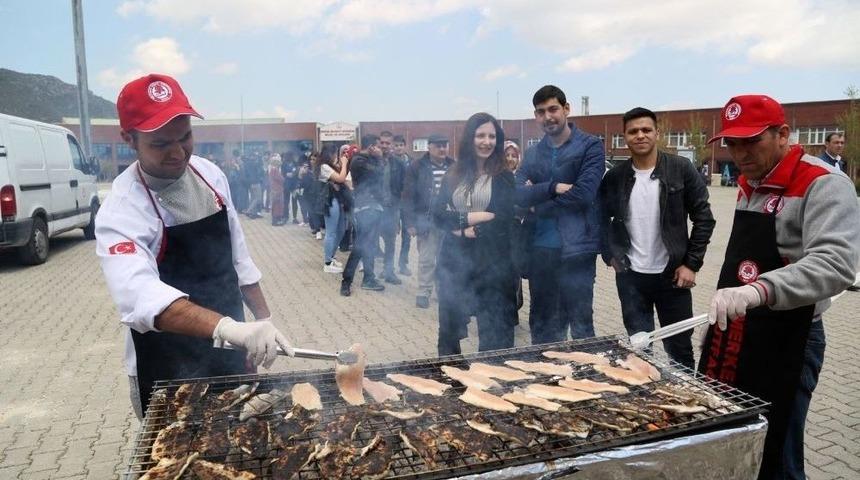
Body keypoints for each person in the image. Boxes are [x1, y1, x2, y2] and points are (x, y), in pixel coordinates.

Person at [94, 74, 294, 418]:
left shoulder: (210, 175)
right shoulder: (122, 209)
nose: (177, 152)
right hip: (167, 362)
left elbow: (239, 261)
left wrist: (264, 321)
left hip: (232, 347)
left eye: (185, 136)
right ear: (129, 139)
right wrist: (230, 328)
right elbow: (139, 294)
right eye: (160, 144)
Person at [700, 94, 860, 480]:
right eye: (732, 143)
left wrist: (757, 290)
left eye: (751, 141)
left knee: (779, 449)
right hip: (741, 331)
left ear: (783, 134)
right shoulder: (749, 183)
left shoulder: (823, 184)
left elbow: (835, 264)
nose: (740, 154)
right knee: (738, 440)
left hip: (793, 336)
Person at [599, 107, 715, 369]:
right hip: (631, 277)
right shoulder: (615, 177)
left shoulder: (680, 168)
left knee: (680, 351)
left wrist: (691, 264)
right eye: (633, 131)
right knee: (639, 349)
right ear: (625, 137)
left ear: (657, 134)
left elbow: (704, 218)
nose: (640, 135)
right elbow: (600, 219)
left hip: (672, 277)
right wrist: (610, 255)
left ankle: (688, 405)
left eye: (646, 130)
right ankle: (647, 401)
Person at [515, 85, 605, 343]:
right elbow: (517, 194)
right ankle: (543, 379)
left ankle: (584, 380)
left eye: (553, 109)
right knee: (542, 327)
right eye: (541, 112)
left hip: (577, 252)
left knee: (580, 328)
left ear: (566, 109)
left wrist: (537, 203)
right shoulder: (533, 153)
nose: (548, 116)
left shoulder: (590, 147)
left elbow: (583, 196)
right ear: (536, 116)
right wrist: (552, 188)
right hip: (540, 252)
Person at [433, 113, 518, 355]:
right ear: (470, 138)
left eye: (492, 136)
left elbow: (503, 217)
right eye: (480, 135)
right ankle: (450, 377)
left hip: (492, 262)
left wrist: (460, 224)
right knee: (449, 330)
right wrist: (470, 221)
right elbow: (437, 214)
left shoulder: (503, 175)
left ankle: (493, 381)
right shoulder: (454, 173)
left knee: (495, 333)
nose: (486, 141)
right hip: (454, 261)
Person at [402, 134, 456, 308]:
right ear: (429, 147)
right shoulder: (417, 167)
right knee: (427, 258)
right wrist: (409, 223)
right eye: (438, 146)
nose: (442, 149)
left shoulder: (454, 166)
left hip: (449, 221)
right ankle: (423, 292)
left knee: (446, 259)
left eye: (444, 145)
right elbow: (408, 196)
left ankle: (443, 292)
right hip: (427, 221)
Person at [340, 134, 387, 296]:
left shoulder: (369, 160)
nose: (381, 149)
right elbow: (378, 174)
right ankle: (346, 281)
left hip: (374, 207)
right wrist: (380, 159)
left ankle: (369, 278)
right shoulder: (359, 161)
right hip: (365, 208)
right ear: (371, 146)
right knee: (360, 246)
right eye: (378, 146)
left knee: (369, 246)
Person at [378, 131, 407, 284]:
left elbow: (404, 187)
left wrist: (398, 210)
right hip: (374, 208)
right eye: (382, 142)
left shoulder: (399, 163)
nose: (384, 146)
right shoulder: (372, 160)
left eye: (387, 143)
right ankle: (368, 273)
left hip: (391, 208)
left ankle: (389, 271)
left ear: (391, 144)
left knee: (390, 241)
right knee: (370, 240)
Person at [319, 144, 351, 273]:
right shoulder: (324, 167)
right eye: (335, 153)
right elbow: (341, 178)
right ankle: (327, 262)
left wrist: (343, 160)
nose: (336, 156)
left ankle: (331, 256)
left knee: (341, 229)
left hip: (338, 200)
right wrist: (343, 163)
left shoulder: (330, 166)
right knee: (331, 232)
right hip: (330, 201)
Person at [392, 135, 413, 275]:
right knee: (391, 235)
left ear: (405, 146)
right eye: (396, 145)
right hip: (393, 203)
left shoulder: (412, 162)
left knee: (407, 235)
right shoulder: (389, 161)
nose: (398, 148)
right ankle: (389, 266)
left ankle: (403, 264)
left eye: (401, 145)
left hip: (407, 204)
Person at [268, 153, 286, 226]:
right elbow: (280, 179)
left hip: (274, 188)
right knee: (277, 205)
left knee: (275, 204)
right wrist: (283, 178)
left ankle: (275, 220)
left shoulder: (272, 169)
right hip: (277, 189)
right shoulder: (275, 170)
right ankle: (275, 221)